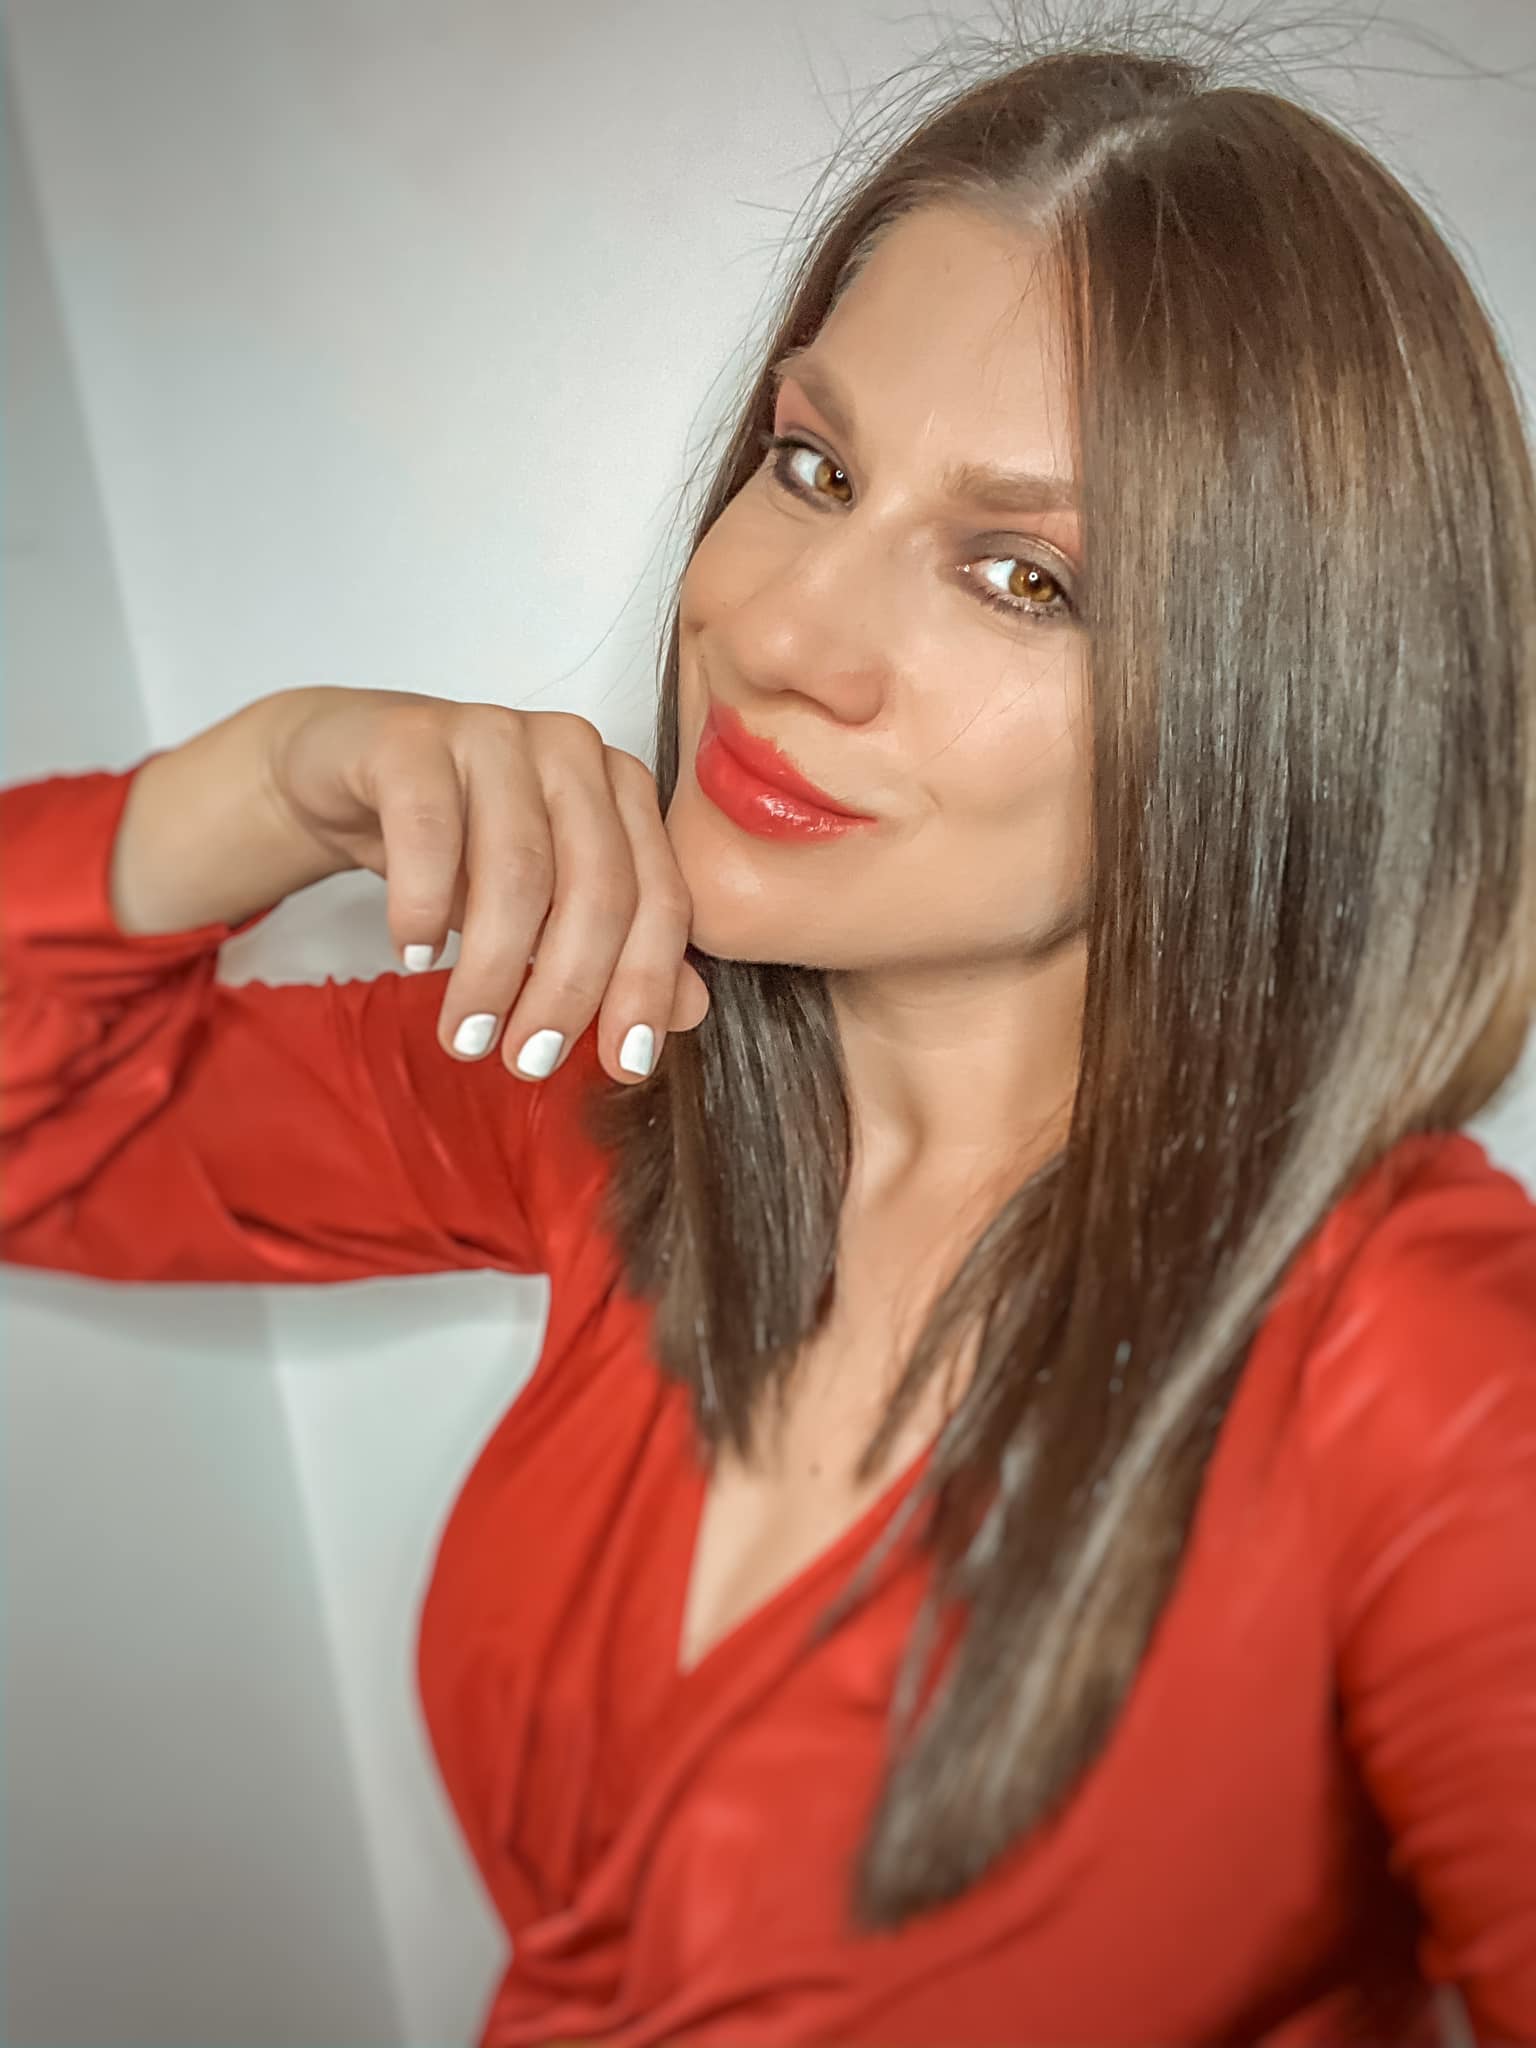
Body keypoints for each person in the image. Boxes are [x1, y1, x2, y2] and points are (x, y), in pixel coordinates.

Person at [4, 18, 1535, 2048]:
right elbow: (39, 1123)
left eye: (1022, 576)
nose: (786, 631)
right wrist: (270, 777)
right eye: (812, 467)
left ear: (1286, 708)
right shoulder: (607, 1074)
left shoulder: (1417, 1359)